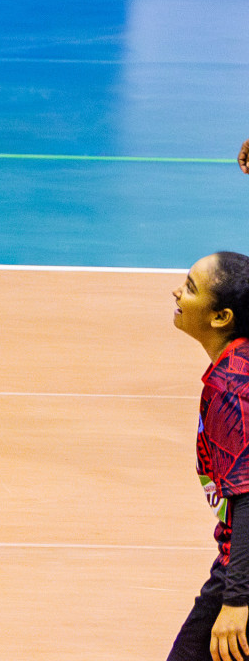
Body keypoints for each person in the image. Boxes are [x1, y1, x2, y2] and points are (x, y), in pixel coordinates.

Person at [169, 252, 249, 661]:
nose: (177, 292)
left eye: (191, 288)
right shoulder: (236, 365)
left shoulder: (232, 388)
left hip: (241, 572)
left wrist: (236, 601)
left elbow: (248, 499)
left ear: (221, 317)